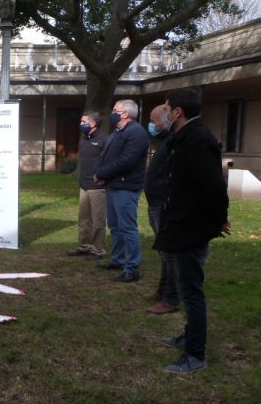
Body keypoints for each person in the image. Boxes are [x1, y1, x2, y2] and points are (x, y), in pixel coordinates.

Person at [156, 89, 230, 374]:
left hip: (191, 227)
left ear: (177, 112)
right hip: (180, 224)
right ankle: (189, 336)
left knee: (191, 291)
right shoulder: (183, 137)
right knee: (186, 287)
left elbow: (213, 186)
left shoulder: (198, 139)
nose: (162, 114)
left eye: (165, 108)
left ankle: (195, 353)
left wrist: (218, 219)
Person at [93, 99, 149, 282]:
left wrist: (102, 173)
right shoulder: (119, 131)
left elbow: (127, 161)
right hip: (114, 185)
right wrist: (100, 172)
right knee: (115, 227)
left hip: (126, 187)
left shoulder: (136, 133)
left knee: (127, 228)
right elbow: (107, 155)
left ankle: (132, 268)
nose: (112, 112)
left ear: (125, 113)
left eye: (115, 110)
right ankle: (118, 260)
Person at [144, 104, 179, 314]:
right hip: (155, 203)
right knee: (163, 253)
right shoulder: (166, 141)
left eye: (153, 120)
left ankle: (171, 298)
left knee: (169, 254)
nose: (151, 125)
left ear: (167, 120)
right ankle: (163, 289)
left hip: (164, 205)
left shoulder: (175, 142)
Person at [67, 111, 107, 261]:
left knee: (98, 221)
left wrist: (103, 177)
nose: (81, 124)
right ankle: (84, 246)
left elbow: (109, 161)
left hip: (97, 187)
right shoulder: (84, 139)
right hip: (83, 186)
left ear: (93, 123)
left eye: (84, 122)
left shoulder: (104, 140)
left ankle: (98, 250)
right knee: (83, 219)